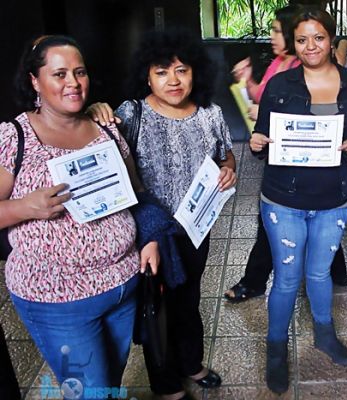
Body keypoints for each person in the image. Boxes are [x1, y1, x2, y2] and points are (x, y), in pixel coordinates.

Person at [0, 35, 159, 395]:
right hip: (58, 300)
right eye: (59, 74)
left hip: (122, 285)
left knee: (109, 383)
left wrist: (149, 238)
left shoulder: (105, 129)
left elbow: (138, 195)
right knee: (92, 391)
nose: (73, 82)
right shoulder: (14, 137)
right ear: (34, 81)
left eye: (79, 72)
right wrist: (27, 207)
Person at [89, 29, 235, 400]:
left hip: (195, 229)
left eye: (182, 70)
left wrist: (229, 168)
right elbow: (96, 139)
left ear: (195, 73)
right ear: (146, 75)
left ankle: (191, 363)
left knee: (189, 301)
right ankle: (166, 384)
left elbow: (225, 154)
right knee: (158, 309)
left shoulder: (211, 114)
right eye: (161, 71)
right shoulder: (130, 113)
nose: (174, 80)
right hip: (151, 234)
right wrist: (94, 110)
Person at [249, 7, 347, 393]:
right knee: (287, 277)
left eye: (318, 38)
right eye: (302, 39)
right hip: (283, 198)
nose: (310, 47)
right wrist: (256, 144)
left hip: (334, 198)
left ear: (332, 38)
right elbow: (262, 138)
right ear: (294, 42)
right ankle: (275, 349)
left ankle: (324, 334)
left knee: (319, 273)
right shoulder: (281, 85)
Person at [224, 4, 347, 303]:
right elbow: (264, 97)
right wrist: (248, 83)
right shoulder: (278, 65)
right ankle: (338, 272)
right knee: (297, 220)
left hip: (307, 168)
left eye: (277, 30)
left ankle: (255, 281)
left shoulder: (301, 69)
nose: (272, 37)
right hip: (281, 169)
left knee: (307, 219)